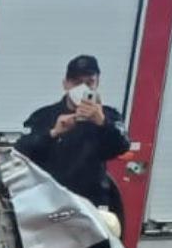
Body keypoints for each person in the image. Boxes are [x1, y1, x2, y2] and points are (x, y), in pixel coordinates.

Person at [15, 55, 130, 213]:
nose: (82, 88)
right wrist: (53, 133)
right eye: (76, 82)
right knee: (58, 234)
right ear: (66, 84)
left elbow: (122, 146)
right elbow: (21, 150)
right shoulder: (43, 116)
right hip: (54, 202)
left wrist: (103, 123)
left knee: (101, 234)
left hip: (93, 203)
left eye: (89, 83)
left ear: (97, 84)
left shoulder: (109, 116)